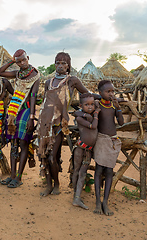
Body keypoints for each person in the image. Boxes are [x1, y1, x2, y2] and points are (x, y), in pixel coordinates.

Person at [38, 52, 93, 196]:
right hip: (44, 123)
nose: (60, 66)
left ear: (68, 66)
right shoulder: (48, 82)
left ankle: (56, 184)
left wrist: (107, 99)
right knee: (44, 156)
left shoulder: (72, 81)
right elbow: (45, 102)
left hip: (58, 124)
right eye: (57, 63)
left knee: (52, 156)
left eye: (63, 63)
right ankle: (49, 185)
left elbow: (87, 95)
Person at [0, 49, 40, 188]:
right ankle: (12, 176)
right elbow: (0, 72)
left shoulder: (35, 75)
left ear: (28, 57)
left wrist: (32, 117)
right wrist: (12, 60)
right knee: (13, 144)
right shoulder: (17, 73)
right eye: (19, 62)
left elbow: (33, 96)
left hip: (26, 111)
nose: (22, 63)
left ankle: (19, 177)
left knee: (23, 144)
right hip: (14, 110)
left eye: (23, 60)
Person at [93, 80, 124, 216]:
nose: (111, 94)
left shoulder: (113, 106)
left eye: (113, 91)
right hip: (101, 140)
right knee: (99, 170)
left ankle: (105, 201)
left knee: (110, 171)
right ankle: (97, 201)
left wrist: (118, 107)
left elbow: (121, 123)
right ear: (100, 93)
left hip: (112, 140)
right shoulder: (97, 105)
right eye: (108, 91)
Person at [71, 93, 100, 209]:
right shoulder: (79, 118)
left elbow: (99, 100)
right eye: (86, 105)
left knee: (82, 173)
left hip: (88, 150)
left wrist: (95, 109)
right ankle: (75, 196)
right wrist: (96, 114)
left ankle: (77, 196)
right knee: (76, 171)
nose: (90, 107)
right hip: (80, 148)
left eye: (92, 105)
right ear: (81, 105)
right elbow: (93, 126)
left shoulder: (89, 114)